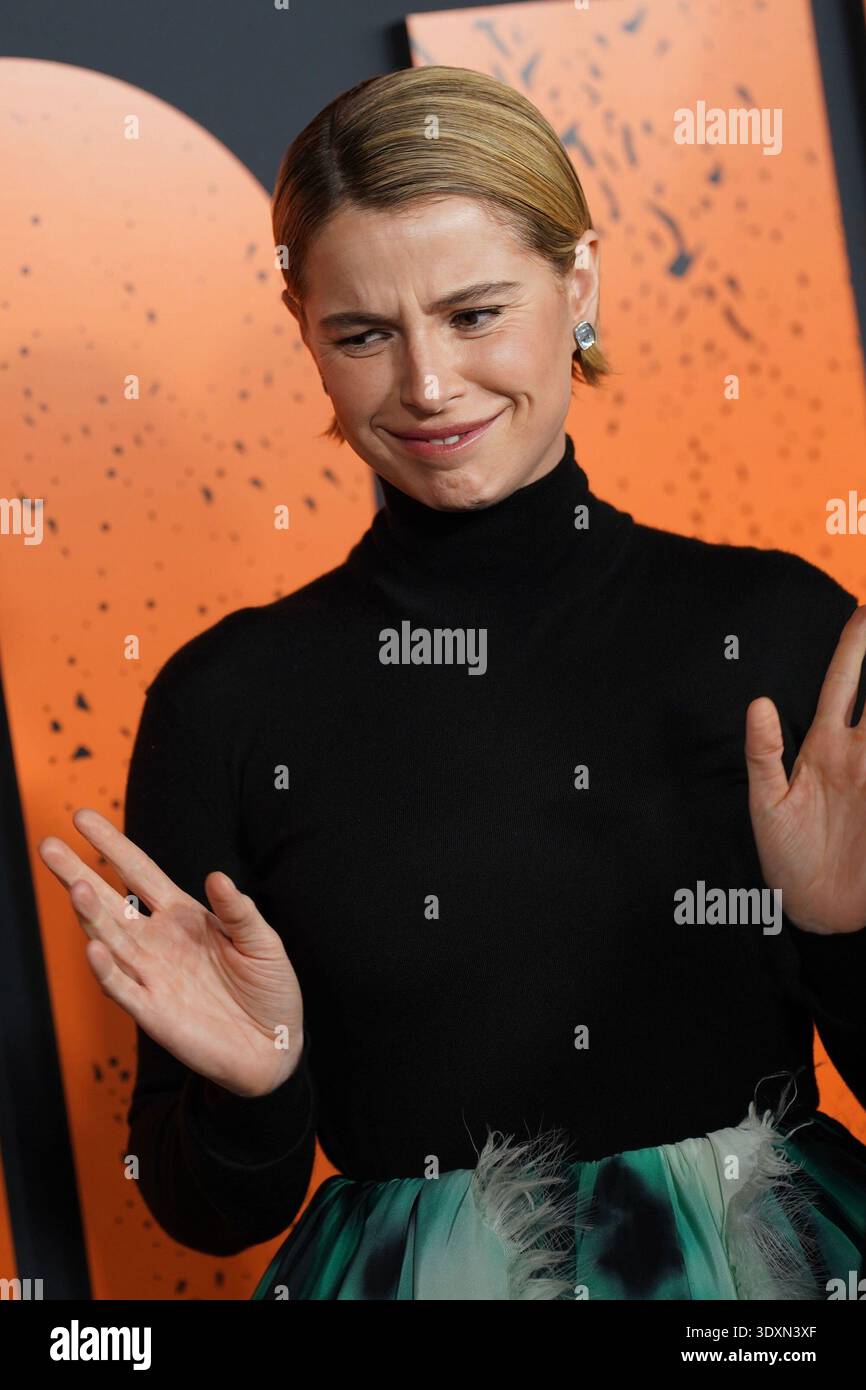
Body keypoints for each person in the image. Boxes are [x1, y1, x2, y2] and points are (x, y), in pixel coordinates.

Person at [38, 66, 866, 1301]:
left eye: (475, 313)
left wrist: (840, 933)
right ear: (302, 326)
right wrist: (253, 1087)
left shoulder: (779, 627)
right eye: (363, 333)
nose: (426, 386)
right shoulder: (227, 701)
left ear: (574, 284)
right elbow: (204, 1213)